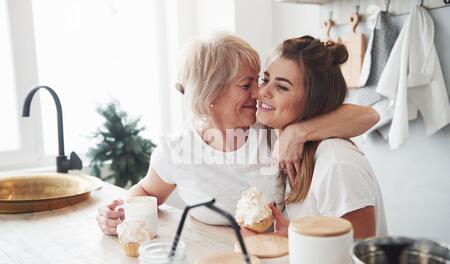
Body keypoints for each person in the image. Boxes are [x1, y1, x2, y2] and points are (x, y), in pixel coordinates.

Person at [96, 33, 380, 235]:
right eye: (247, 85)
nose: (258, 93)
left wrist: (298, 131)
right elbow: (146, 191)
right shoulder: (179, 148)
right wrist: (120, 211)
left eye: (259, 81)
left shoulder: (270, 127)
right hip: (216, 257)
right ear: (212, 93)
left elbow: (368, 115)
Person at [253, 36, 387, 239]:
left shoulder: (338, 165)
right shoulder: (289, 148)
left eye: (282, 87)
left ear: (314, 101)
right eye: (265, 79)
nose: (263, 91)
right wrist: (290, 235)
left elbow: (356, 260)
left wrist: (298, 131)